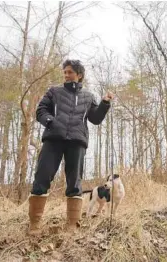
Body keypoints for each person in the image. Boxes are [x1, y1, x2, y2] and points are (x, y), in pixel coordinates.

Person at [27, 59, 114, 235]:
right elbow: (41, 110)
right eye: (64, 72)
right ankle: (34, 224)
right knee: (42, 177)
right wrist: (50, 121)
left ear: (79, 75)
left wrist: (104, 103)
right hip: (53, 139)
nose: (66, 75)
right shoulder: (54, 92)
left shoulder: (88, 96)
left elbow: (95, 119)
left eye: (69, 72)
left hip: (77, 141)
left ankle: (72, 225)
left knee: (74, 182)